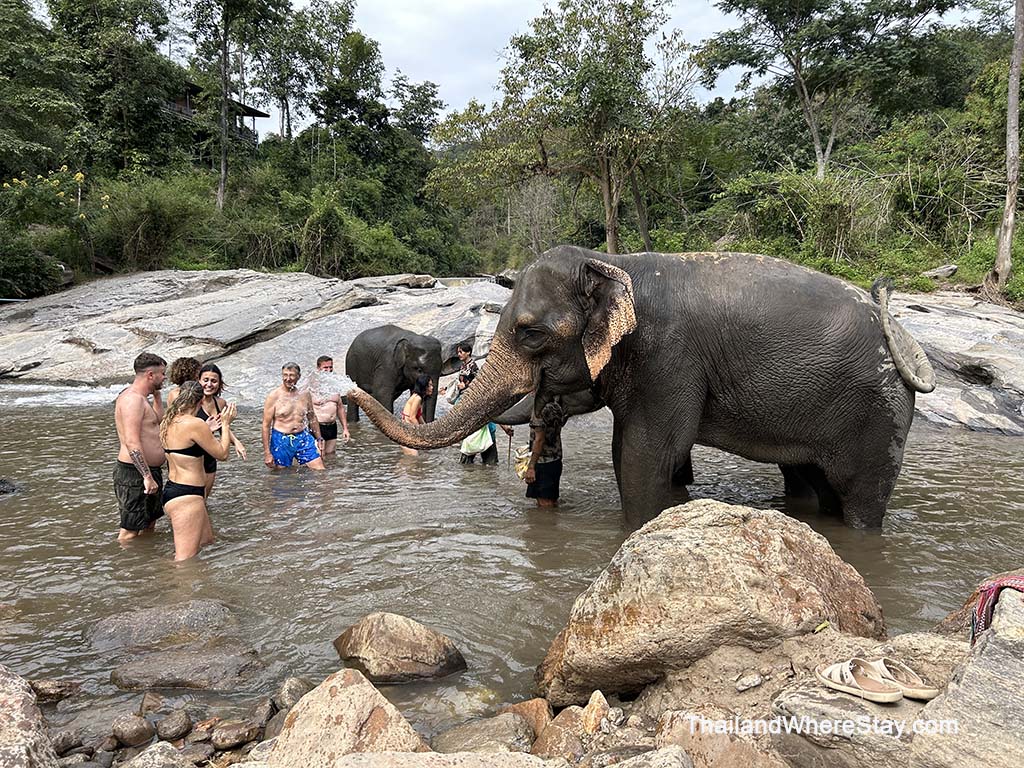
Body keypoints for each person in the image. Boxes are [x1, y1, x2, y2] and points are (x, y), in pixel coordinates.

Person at [160, 381, 235, 560]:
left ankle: (202, 586)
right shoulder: (195, 424)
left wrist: (207, 429)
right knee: (184, 561)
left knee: (207, 542)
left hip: (175, 490)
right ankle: (162, 585)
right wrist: (225, 424)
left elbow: (184, 443)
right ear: (201, 401)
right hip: (187, 496)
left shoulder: (168, 420)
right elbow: (222, 454)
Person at [113, 353, 167, 542]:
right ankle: (126, 567)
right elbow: (132, 441)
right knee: (130, 529)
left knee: (149, 522)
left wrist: (158, 397)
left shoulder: (144, 398)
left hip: (149, 471)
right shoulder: (132, 400)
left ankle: (144, 565)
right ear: (150, 375)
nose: (165, 377)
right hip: (135, 474)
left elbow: (158, 421)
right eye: (162, 373)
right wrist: (146, 476)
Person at [262, 363, 326, 470]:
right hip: (281, 440)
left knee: (320, 470)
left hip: (303, 437)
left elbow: (312, 417)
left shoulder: (304, 394)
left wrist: (319, 438)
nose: (288, 379)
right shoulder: (274, 396)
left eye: (291, 375)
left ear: (298, 376)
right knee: (281, 476)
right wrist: (267, 453)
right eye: (285, 375)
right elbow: (265, 425)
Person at [196, 363, 247, 497]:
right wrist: (205, 428)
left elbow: (223, 427)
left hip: (210, 454)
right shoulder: (192, 403)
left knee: (204, 499)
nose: (209, 384)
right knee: (194, 501)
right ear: (199, 381)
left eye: (214, 381)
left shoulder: (220, 403)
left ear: (219, 384)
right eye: (205, 380)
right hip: (193, 455)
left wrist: (236, 442)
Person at [524, 401, 568, 507]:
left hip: (543, 463)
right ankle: (555, 522)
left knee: (544, 505)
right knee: (551, 501)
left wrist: (531, 467)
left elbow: (539, 440)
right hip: (555, 461)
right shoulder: (556, 406)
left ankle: (545, 523)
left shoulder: (539, 411)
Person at [312, 355, 350, 455]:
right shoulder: (312, 387)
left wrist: (345, 428)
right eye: (325, 368)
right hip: (318, 427)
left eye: (330, 367)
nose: (329, 370)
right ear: (318, 368)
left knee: (331, 456)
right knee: (320, 457)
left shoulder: (334, 386)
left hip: (332, 427)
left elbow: (340, 408)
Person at [400, 374, 433, 456]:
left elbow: (418, 416)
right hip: (407, 432)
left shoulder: (418, 397)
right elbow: (412, 417)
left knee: (412, 459)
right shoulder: (417, 398)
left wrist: (426, 428)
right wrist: (420, 431)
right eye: (430, 385)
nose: (432, 387)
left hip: (409, 430)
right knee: (414, 457)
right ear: (424, 386)